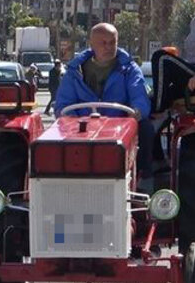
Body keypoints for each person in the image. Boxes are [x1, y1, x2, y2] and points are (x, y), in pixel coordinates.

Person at [54, 23, 154, 188]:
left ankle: (143, 182)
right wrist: (72, 120)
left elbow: (139, 95)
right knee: (55, 139)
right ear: (92, 44)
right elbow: (64, 104)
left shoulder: (129, 69)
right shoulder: (74, 71)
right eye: (103, 43)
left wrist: (137, 111)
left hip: (119, 126)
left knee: (146, 129)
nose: (108, 47)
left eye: (112, 42)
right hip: (81, 128)